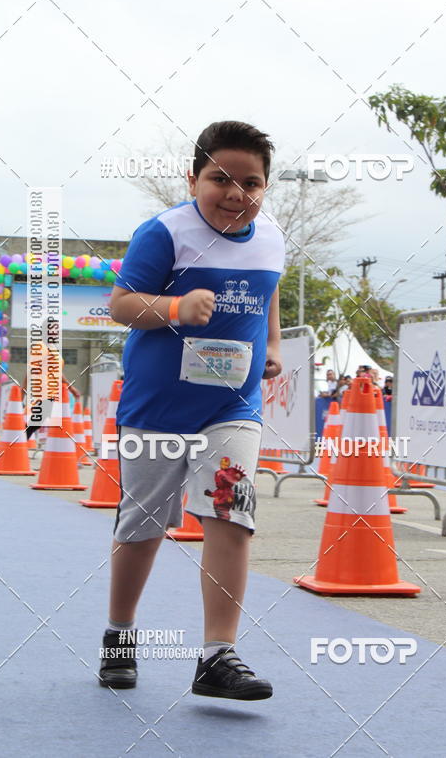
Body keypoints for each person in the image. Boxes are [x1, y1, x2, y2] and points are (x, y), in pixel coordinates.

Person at [100, 120, 285, 700]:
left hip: (233, 407)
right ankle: (120, 635)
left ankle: (217, 656)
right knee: (145, 524)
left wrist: (273, 346)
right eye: (220, 179)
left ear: (265, 187)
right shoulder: (165, 232)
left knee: (231, 513)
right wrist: (177, 306)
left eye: (251, 183)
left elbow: (269, 293)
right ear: (193, 178)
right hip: (157, 408)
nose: (236, 193)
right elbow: (121, 305)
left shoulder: (271, 235)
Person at [21, 342, 80, 439]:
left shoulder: (53, 349)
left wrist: (71, 388)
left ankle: (21, 439)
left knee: (39, 422)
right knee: (37, 421)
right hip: (44, 391)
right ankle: (20, 440)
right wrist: (23, 389)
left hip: (54, 392)